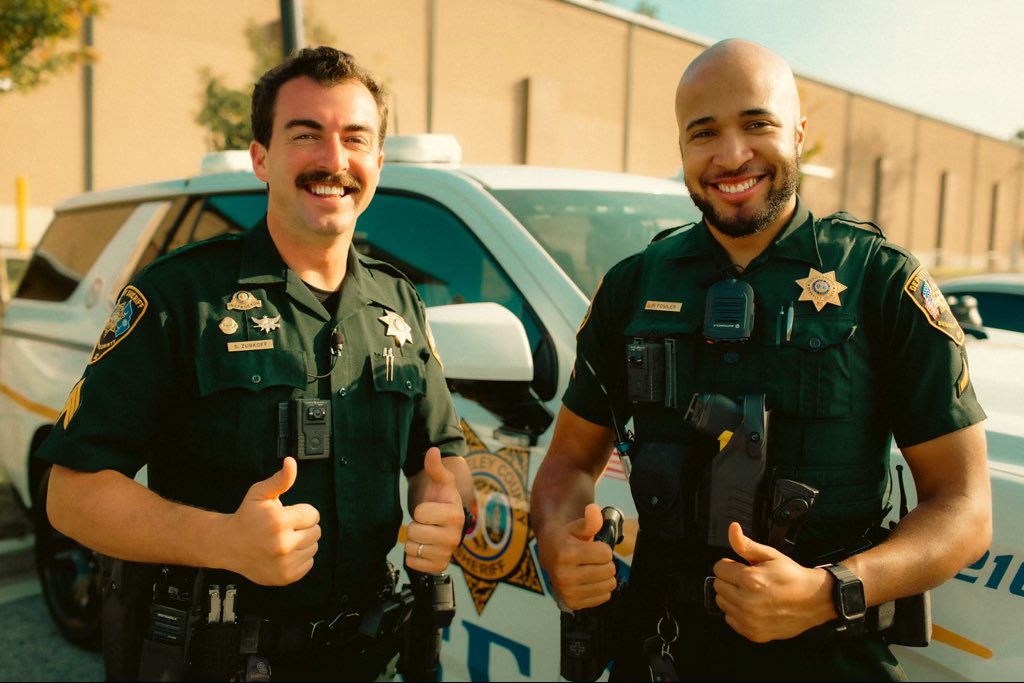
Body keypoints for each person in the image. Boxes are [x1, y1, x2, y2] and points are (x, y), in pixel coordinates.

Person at [530, 39, 992, 681]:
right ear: (682, 147)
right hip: (659, 651)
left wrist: (832, 590)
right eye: (703, 133)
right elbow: (568, 465)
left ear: (799, 131)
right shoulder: (633, 286)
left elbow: (964, 507)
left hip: (829, 660)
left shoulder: (879, 283)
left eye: (757, 124)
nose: (731, 155)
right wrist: (557, 539)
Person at [38, 46, 474, 681]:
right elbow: (70, 496)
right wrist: (222, 541)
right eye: (306, 135)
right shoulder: (179, 297)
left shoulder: (398, 301)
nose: (334, 159)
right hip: (215, 658)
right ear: (261, 158)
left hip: (374, 657)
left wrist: (446, 504)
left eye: (356, 138)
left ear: (378, 160)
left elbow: (442, 457)